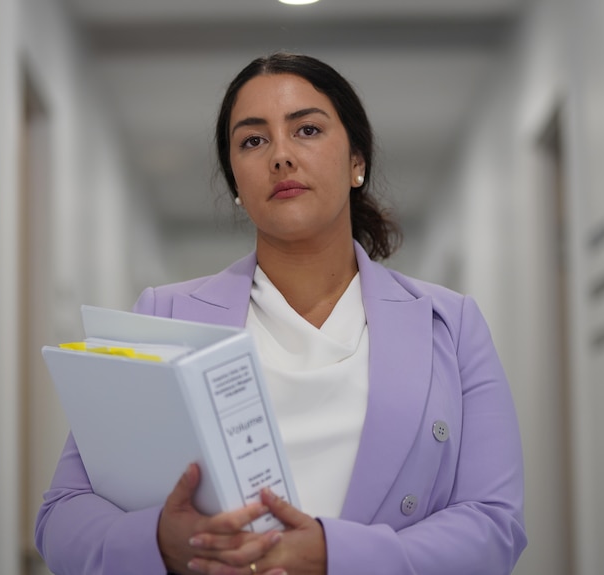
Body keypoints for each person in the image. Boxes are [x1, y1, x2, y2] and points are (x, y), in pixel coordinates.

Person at [35, 52, 526, 575]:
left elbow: (494, 524)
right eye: (253, 140)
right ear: (236, 185)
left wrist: (335, 556)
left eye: (307, 130)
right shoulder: (165, 315)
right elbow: (61, 516)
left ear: (357, 160)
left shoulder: (450, 326)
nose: (281, 156)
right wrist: (159, 542)